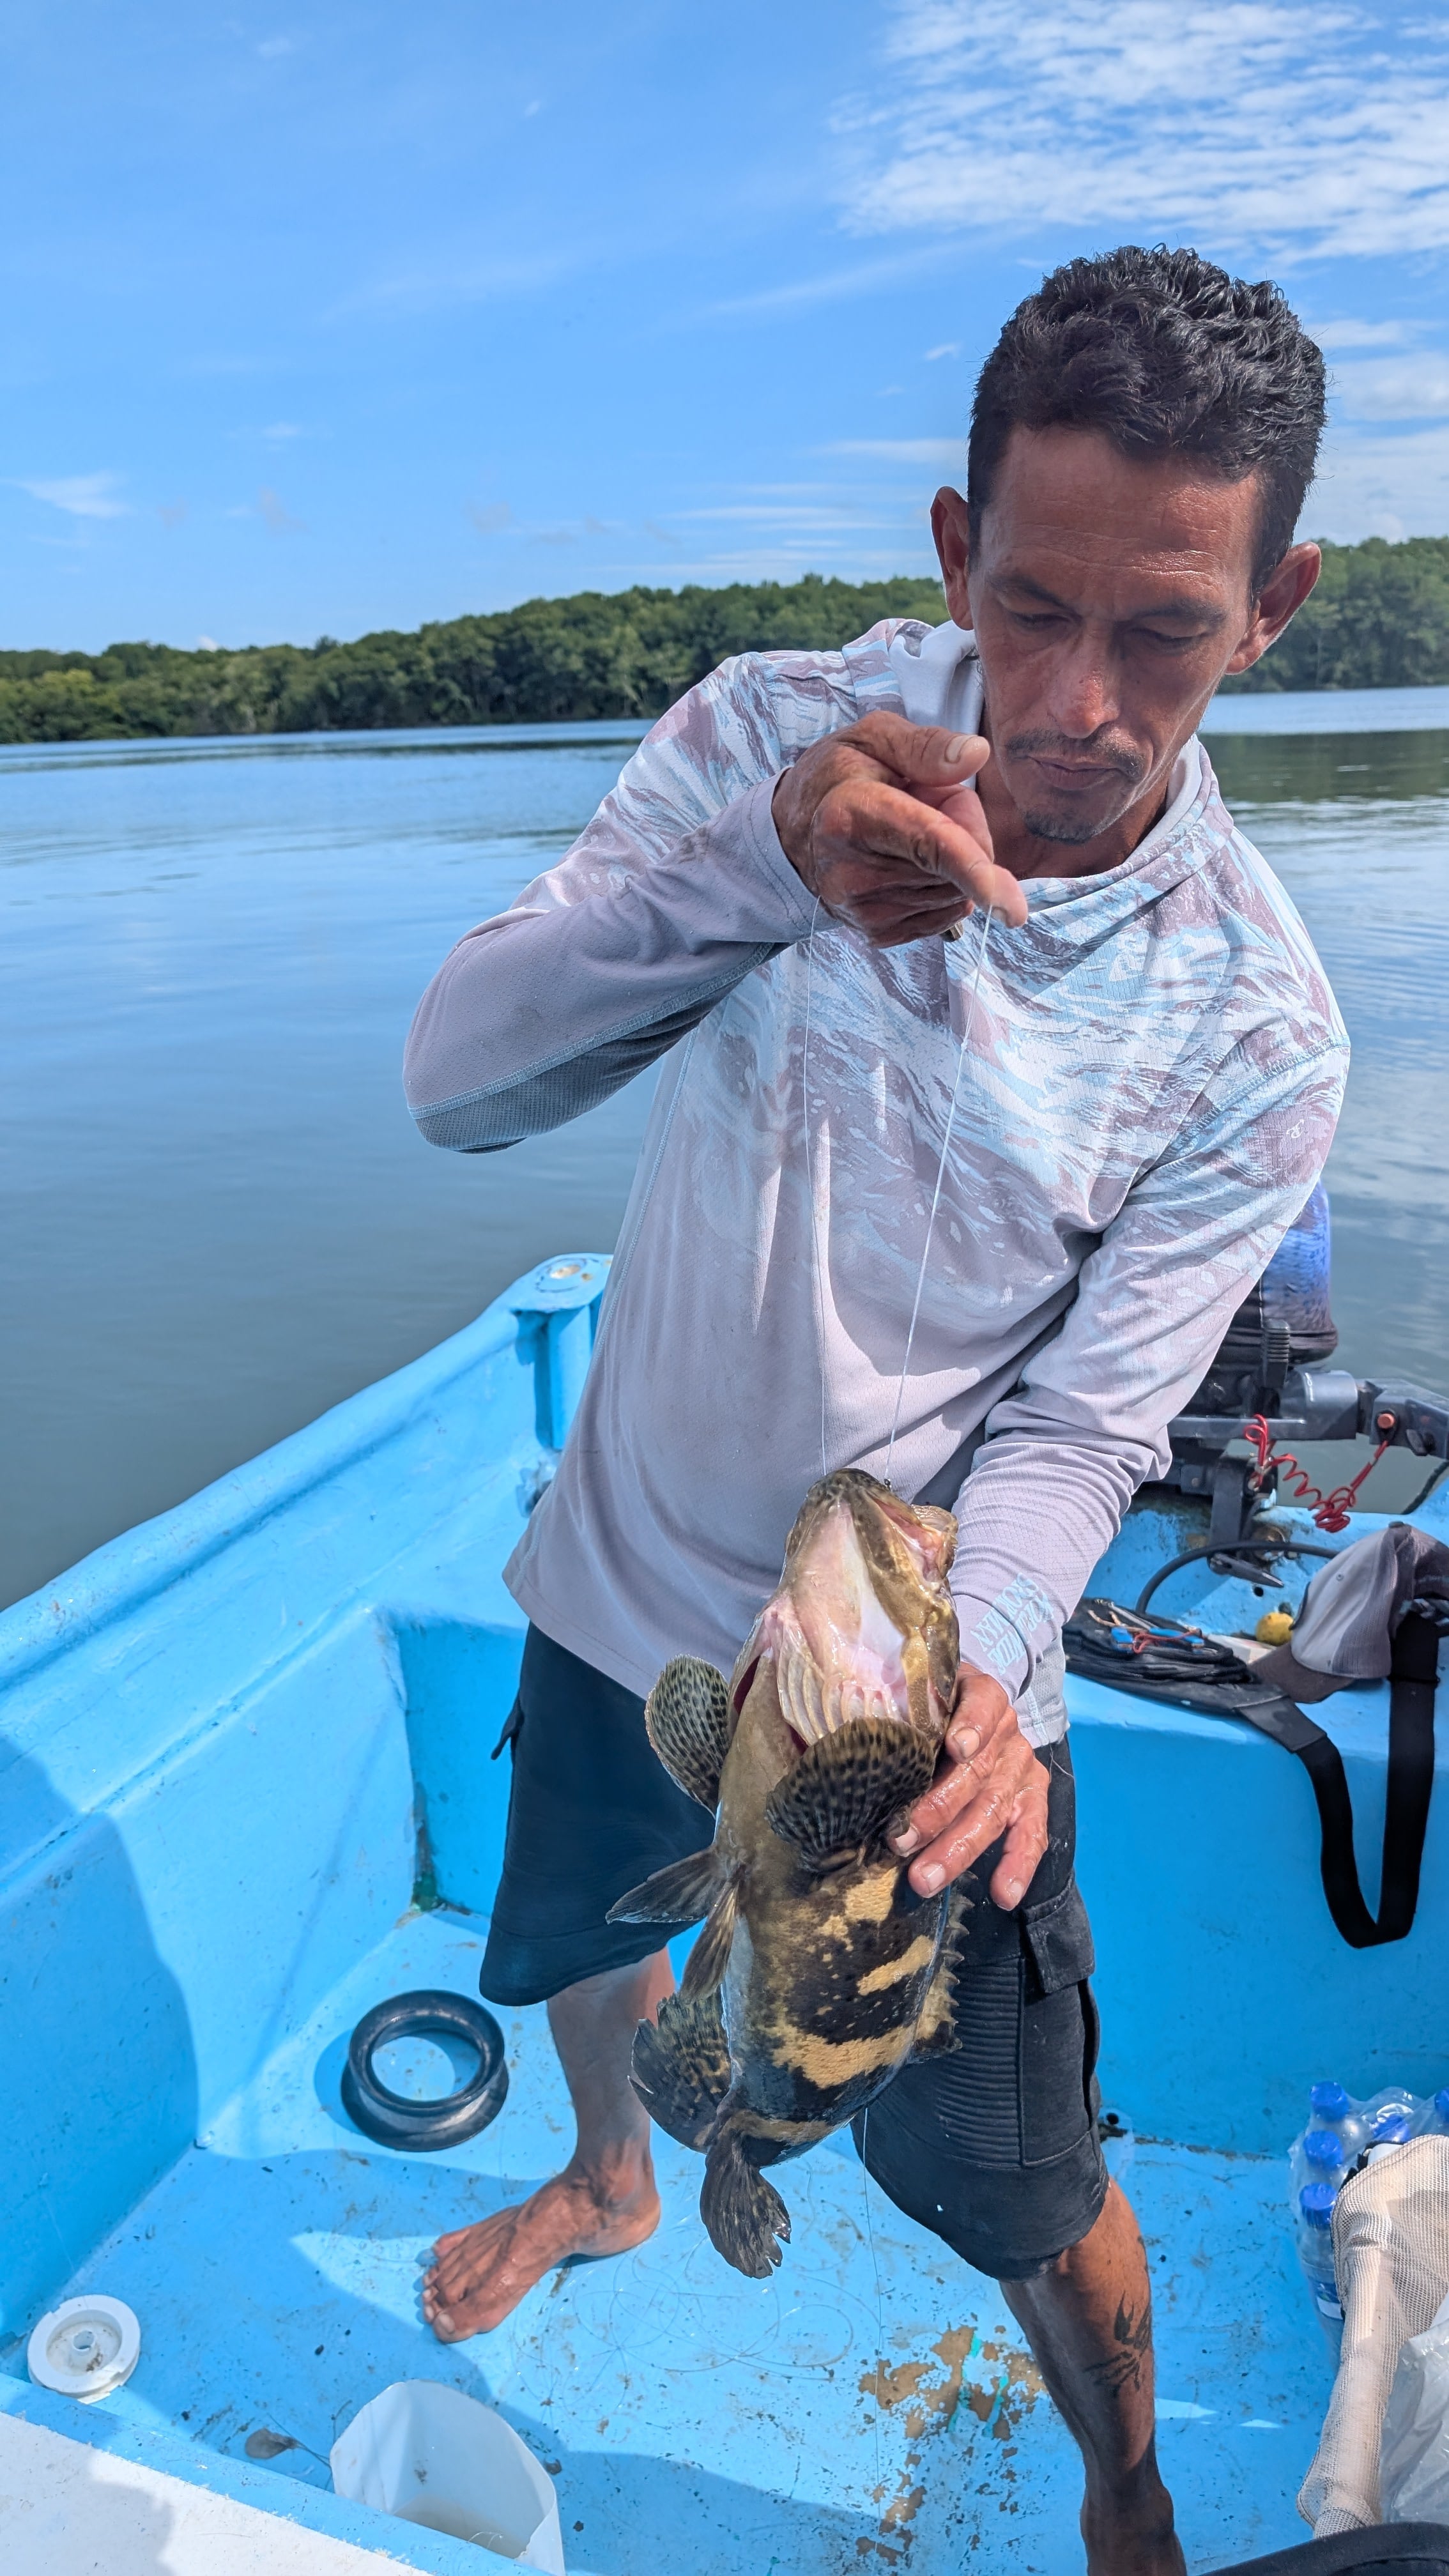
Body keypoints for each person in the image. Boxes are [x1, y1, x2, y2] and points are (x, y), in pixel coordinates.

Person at [403, 245, 1347, 2575]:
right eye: (1030, 609)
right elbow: (459, 1083)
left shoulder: (1255, 1029)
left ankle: (1126, 2485)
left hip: (907, 1695)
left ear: (1272, 610)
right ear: (951, 549)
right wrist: (758, 872)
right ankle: (613, 2179)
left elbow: (1084, 1434)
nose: (1079, 706)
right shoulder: (772, 729)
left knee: (1011, 2171)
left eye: (1163, 631)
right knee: (590, 1938)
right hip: (625, 1570)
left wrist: (997, 1670)